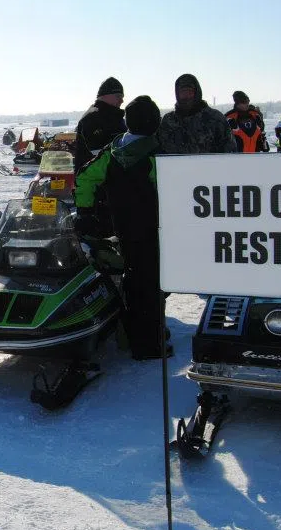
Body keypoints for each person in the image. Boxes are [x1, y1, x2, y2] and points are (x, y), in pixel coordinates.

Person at [75, 96, 169, 360]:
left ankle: (133, 333)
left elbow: (84, 177)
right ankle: (149, 345)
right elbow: (171, 190)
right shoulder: (155, 154)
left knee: (132, 280)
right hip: (153, 230)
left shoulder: (112, 151)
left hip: (122, 227)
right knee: (150, 285)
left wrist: (85, 211)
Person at [158, 74, 237, 154]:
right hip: (176, 166)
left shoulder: (215, 119)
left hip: (210, 166)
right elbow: (160, 151)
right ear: (177, 95)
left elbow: (230, 152)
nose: (186, 97)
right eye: (183, 92)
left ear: (197, 93)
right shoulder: (168, 121)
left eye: (190, 92)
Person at [74, 77, 126, 173]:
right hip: (93, 181)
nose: (122, 100)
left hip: (111, 178)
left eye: (122, 97)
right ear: (104, 96)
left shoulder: (115, 117)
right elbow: (99, 155)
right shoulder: (92, 118)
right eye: (118, 96)